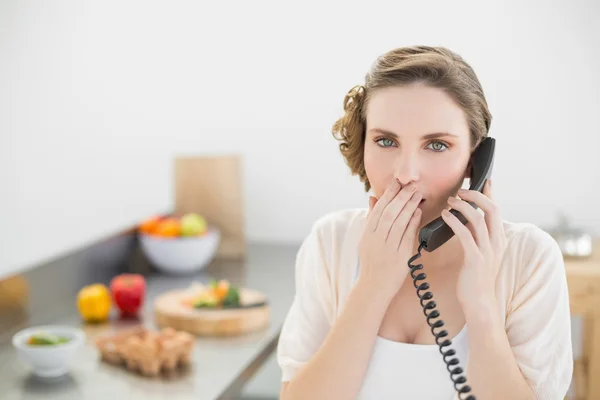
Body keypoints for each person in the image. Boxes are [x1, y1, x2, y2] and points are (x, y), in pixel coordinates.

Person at [276, 45, 573, 400]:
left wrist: (481, 305)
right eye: (385, 141)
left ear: (475, 161)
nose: (406, 173)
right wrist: (372, 284)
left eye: (436, 145)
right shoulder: (331, 243)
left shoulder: (529, 258)